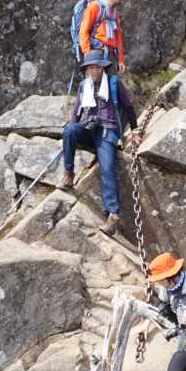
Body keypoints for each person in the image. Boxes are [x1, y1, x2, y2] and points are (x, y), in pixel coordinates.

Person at [60, 52, 138, 235]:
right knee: (69, 130)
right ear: (87, 69)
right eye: (91, 67)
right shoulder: (83, 86)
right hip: (88, 130)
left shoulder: (113, 83)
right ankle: (68, 174)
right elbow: (76, 113)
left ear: (102, 67)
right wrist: (70, 131)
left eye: (97, 67)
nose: (94, 70)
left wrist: (135, 131)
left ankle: (113, 216)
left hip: (107, 132)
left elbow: (128, 107)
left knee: (107, 169)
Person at [77, 0, 128, 74]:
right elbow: (84, 31)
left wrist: (120, 59)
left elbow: (118, 37)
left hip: (111, 56)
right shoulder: (95, 6)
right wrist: (88, 55)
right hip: (96, 54)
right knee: (97, 83)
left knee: (112, 82)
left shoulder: (114, 12)